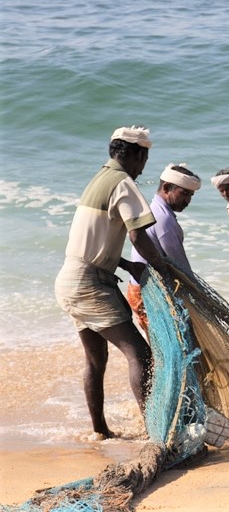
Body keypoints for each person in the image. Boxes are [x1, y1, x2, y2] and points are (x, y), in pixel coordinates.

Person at [54, 126, 168, 439]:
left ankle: (100, 431)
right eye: (144, 158)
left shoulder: (98, 180)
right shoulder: (123, 182)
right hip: (90, 283)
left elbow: (93, 240)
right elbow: (137, 233)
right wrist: (161, 267)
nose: (143, 166)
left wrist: (128, 263)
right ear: (137, 154)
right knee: (140, 355)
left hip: (69, 278)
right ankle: (154, 431)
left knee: (96, 358)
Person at [126, 163, 202, 332]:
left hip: (141, 290)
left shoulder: (154, 210)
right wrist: (199, 293)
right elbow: (179, 265)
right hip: (147, 294)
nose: (188, 200)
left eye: (191, 195)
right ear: (166, 187)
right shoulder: (163, 219)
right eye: (184, 194)